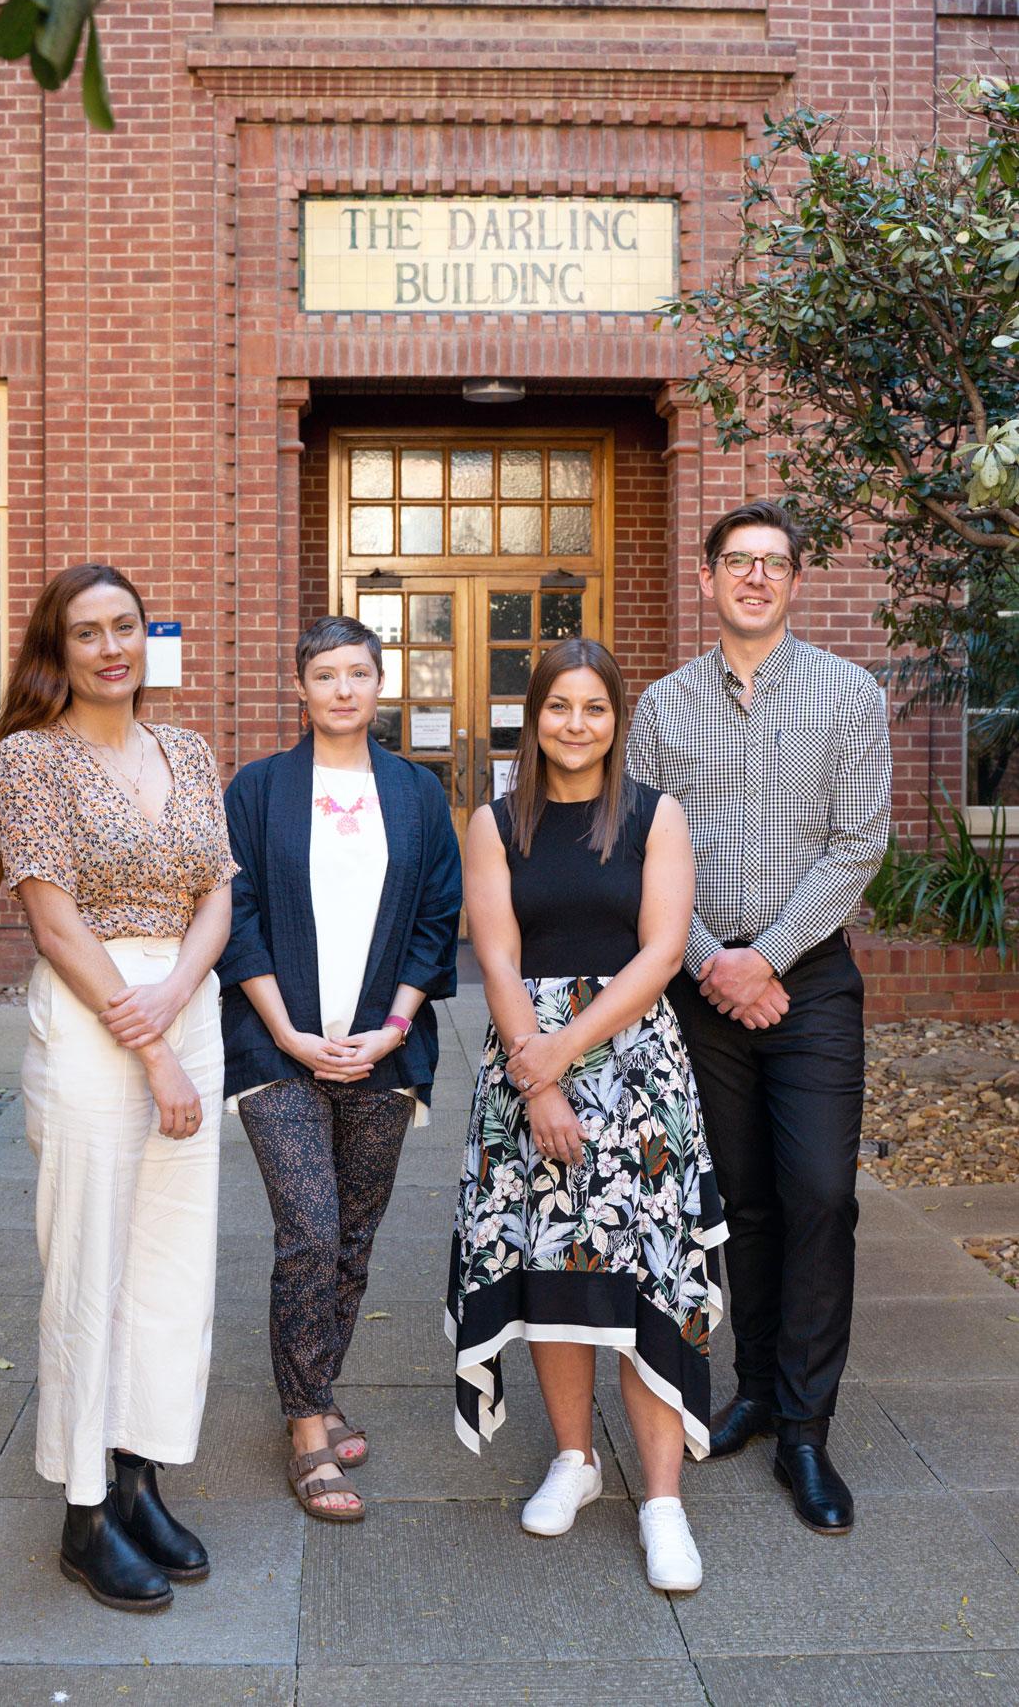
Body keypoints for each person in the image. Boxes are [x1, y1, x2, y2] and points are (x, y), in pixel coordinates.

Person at [0, 563, 236, 1613]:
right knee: (88, 1262)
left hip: (186, 992)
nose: (109, 646)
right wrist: (153, 1044)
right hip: (94, 1017)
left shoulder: (186, 748)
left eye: (123, 626)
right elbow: (53, 921)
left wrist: (179, 992)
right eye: (85, 632)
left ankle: (140, 1479)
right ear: (57, 649)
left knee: (173, 1263)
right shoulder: (27, 760)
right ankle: (84, 1514)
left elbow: (217, 890)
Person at [630, 500, 892, 1536]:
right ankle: (752, 1388)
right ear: (706, 581)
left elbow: (856, 845)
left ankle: (805, 1429)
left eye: (770, 564)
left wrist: (765, 960)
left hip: (808, 982)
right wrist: (711, 964)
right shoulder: (659, 707)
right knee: (739, 1196)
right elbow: (645, 848)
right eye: (734, 562)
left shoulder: (847, 694)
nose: (751, 578)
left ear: (793, 583)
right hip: (701, 982)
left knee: (821, 1192)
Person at [447, 637, 727, 1593]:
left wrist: (567, 1052)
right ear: (537, 716)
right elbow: (496, 955)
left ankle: (662, 1501)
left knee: (645, 1273)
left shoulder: (654, 815)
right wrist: (541, 1081)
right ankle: (574, 1457)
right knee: (554, 1264)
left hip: (635, 1067)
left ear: (617, 719)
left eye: (594, 708)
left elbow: (658, 954)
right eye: (559, 706)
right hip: (528, 1061)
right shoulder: (494, 821)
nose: (576, 724)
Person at [218, 614, 461, 1524]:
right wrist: (284, 1028)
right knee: (310, 1231)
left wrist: (395, 1027)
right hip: (276, 1047)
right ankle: (306, 1429)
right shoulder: (259, 789)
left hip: (384, 1052)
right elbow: (235, 914)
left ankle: (319, 1386)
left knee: (353, 1240)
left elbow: (440, 914)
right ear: (301, 686)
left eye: (359, 673)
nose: (344, 690)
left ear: (379, 681)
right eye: (325, 675)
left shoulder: (415, 792)